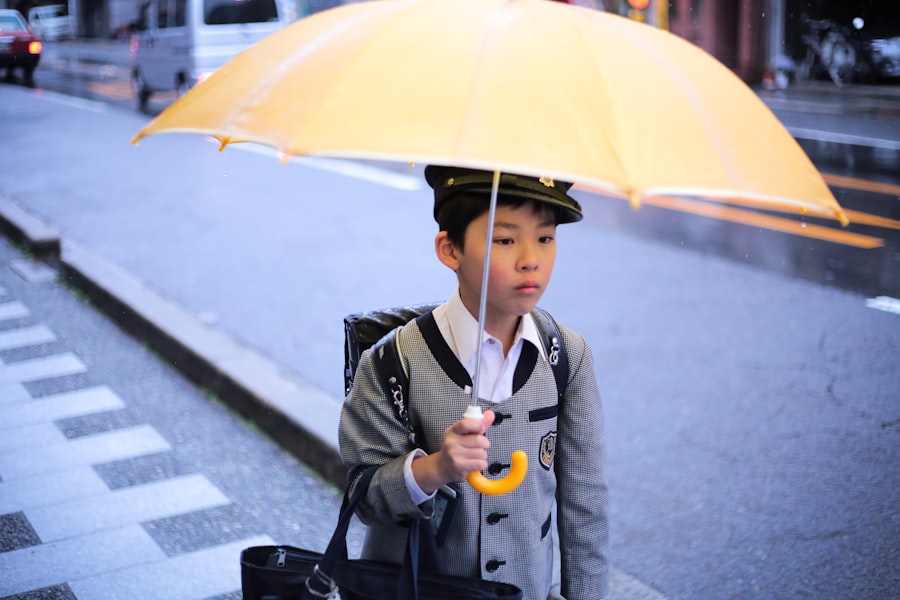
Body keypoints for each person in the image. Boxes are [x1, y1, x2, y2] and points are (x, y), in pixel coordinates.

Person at [338, 165, 608, 600]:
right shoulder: (393, 362)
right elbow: (362, 498)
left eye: (545, 237)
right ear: (450, 249)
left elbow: (585, 505)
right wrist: (435, 469)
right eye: (505, 240)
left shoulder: (566, 357)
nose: (531, 259)